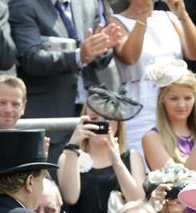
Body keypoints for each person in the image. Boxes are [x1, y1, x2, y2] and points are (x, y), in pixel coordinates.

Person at [11, 0, 120, 137]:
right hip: (51, 117)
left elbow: (101, 55)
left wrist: (101, 48)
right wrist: (80, 56)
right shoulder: (23, 5)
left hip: (92, 114)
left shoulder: (87, 3)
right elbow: (31, 59)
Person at [112, 0, 196, 153]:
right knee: (142, 159)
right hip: (141, 104)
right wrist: (143, 16)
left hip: (176, 100)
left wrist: (182, 14)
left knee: (182, 155)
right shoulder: (116, 21)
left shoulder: (168, 17)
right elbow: (129, 57)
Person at [57, 87, 146, 213]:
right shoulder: (68, 156)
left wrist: (117, 162)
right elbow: (70, 197)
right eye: (95, 118)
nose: (102, 124)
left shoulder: (131, 157)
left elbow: (138, 201)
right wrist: (73, 146)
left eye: (108, 118)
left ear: (118, 123)